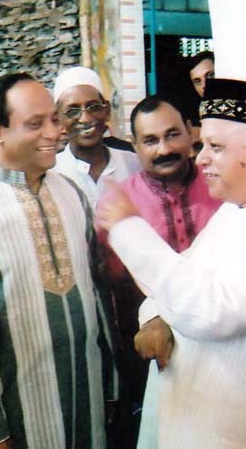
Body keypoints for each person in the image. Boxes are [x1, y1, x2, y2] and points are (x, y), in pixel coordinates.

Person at [97, 78, 246, 448]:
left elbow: (209, 310)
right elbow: (183, 271)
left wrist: (127, 228)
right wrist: (154, 316)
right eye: (203, 144)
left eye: (215, 147)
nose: (200, 156)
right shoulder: (236, 212)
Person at [0, 73, 119, 449]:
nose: (54, 132)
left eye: (54, 118)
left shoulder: (71, 192)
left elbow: (98, 292)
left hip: (90, 405)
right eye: (35, 124)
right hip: (18, 419)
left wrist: (111, 385)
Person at [96, 96, 222, 447]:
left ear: (190, 134)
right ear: (134, 146)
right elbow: (117, 288)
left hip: (222, 345)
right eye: (150, 141)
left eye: (172, 135)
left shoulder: (222, 186)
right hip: (153, 351)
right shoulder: (118, 204)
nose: (164, 149)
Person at [52, 66, 141, 207]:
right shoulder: (51, 174)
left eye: (93, 107)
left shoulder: (135, 165)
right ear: (58, 119)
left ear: (107, 111)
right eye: (72, 111)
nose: (85, 119)